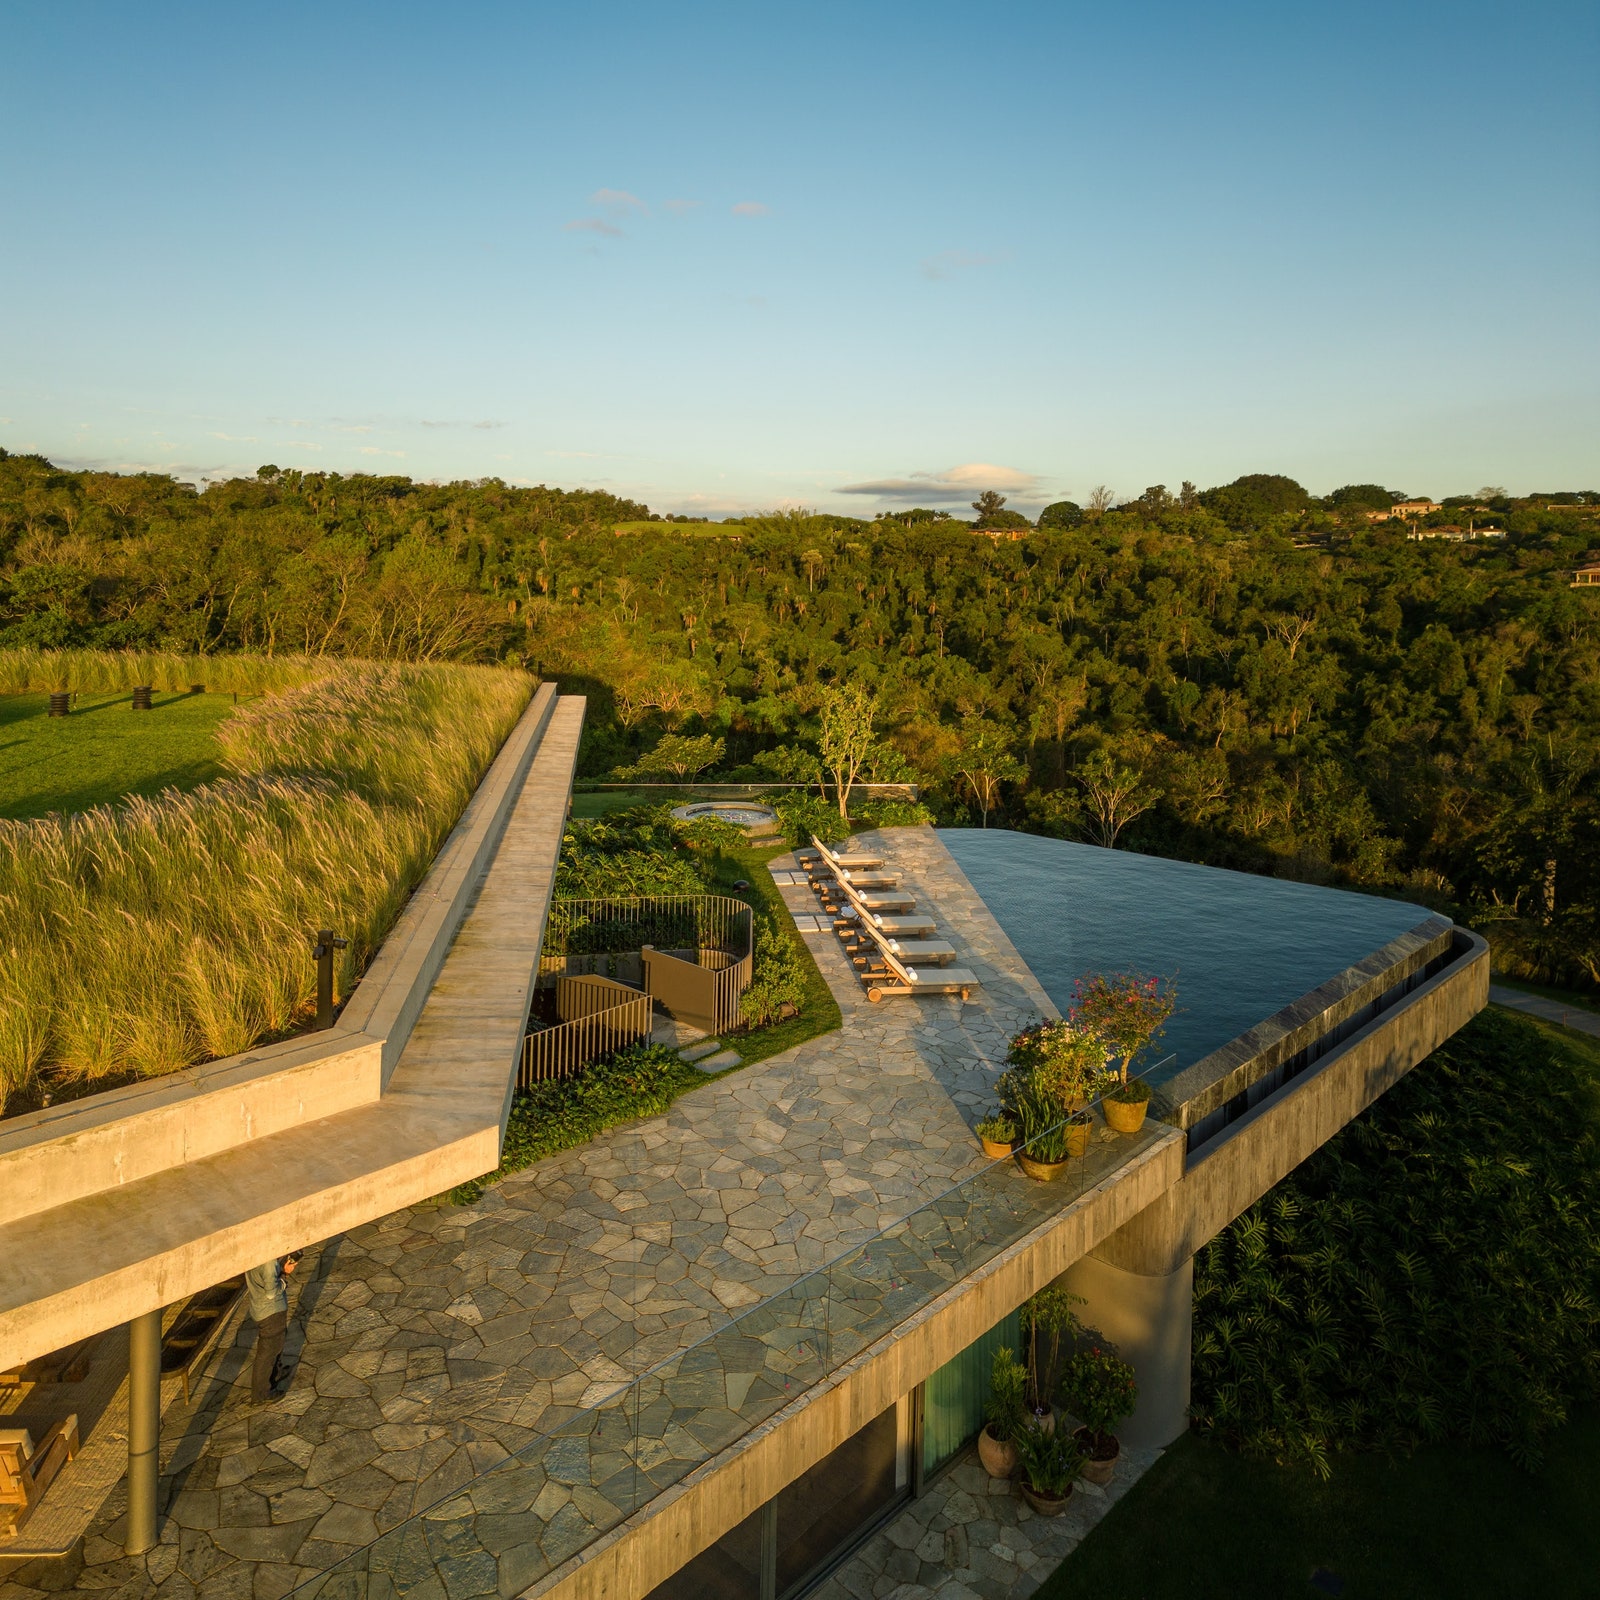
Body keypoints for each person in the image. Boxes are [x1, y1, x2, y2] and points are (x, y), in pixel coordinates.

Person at [245, 1252, 301, 1403]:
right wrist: (284, 1276)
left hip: (259, 1309)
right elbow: (271, 1292)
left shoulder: (252, 1255)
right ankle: (262, 1394)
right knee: (267, 1354)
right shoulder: (268, 1262)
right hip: (271, 1312)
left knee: (274, 1348)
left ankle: (273, 1377)